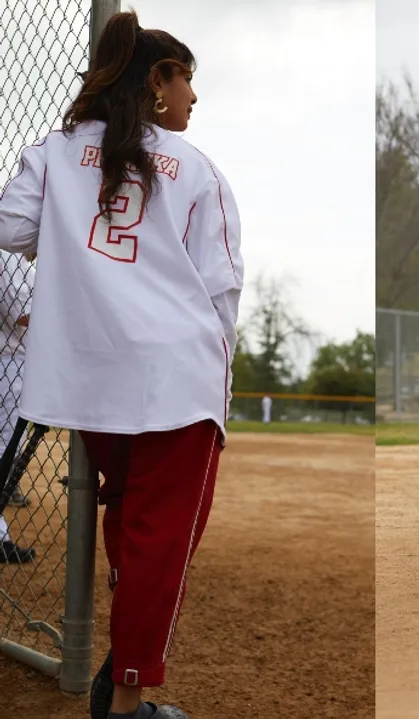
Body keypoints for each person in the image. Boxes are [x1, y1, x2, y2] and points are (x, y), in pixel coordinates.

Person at [0, 11, 243, 719]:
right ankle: (129, 699)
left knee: (128, 519)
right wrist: (217, 394)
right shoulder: (197, 167)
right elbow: (221, 289)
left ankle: (119, 661)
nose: (193, 98)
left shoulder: (57, 147)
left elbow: (11, 227)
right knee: (163, 542)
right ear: (158, 83)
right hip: (175, 380)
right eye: (186, 80)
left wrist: (71, 224)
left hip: (84, 379)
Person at [0, 251, 35, 564]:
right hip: (9, 365)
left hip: (16, 363)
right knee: (5, 450)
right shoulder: (7, 257)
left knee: (8, 450)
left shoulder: (21, 263)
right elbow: (22, 315)